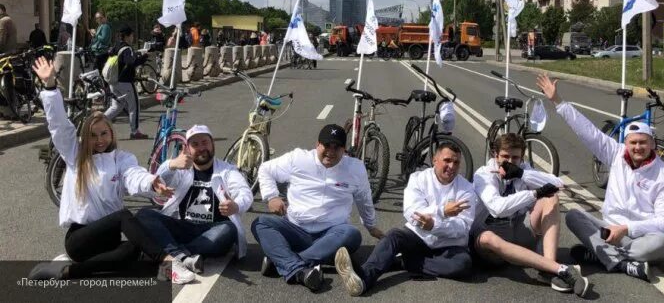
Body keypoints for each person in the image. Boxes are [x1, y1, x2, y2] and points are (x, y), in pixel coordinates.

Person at [26, 57, 190, 283]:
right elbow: (59, 126)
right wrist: (51, 87)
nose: (100, 140)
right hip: (80, 238)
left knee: (134, 249)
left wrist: (151, 182)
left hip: (109, 238)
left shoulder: (122, 159)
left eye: (104, 133)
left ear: (112, 134)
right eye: (93, 135)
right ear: (86, 138)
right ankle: (168, 263)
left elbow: (134, 175)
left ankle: (68, 271)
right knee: (125, 216)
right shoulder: (76, 156)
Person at [537, 74, 664, 282]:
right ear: (626, 144)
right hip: (607, 230)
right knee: (573, 216)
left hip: (640, 237)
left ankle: (599, 254)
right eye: (633, 143)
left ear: (653, 145)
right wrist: (558, 101)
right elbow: (588, 132)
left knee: (661, 244)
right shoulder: (617, 154)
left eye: (643, 142)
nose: (637, 147)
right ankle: (620, 262)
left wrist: (627, 229)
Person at [251, 124, 383, 292]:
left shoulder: (355, 168)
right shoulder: (298, 159)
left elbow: (364, 199)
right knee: (261, 223)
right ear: (317, 145)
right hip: (295, 228)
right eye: (326, 145)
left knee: (352, 234)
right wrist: (272, 196)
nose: (331, 151)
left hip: (331, 233)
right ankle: (300, 265)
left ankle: (285, 262)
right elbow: (265, 169)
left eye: (337, 147)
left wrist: (371, 226)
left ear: (344, 150)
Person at [334, 142, 476, 296]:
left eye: (456, 162)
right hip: (419, 236)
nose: (452, 166)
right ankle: (363, 278)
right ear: (435, 159)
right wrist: (442, 211)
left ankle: (404, 261)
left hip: (448, 244)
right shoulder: (419, 178)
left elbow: (463, 226)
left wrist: (434, 225)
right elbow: (412, 213)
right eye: (447, 160)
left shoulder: (466, 189)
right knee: (394, 235)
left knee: (463, 264)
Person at [471, 133, 589, 297]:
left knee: (551, 198)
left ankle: (549, 269)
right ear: (495, 155)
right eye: (505, 156)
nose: (510, 162)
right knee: (487, 238)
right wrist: (534, 194)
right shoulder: (483, 174)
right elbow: (497, 208)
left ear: (522, 157)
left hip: (518, 231)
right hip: (494, 240)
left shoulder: (522, 169)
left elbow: (558, 184)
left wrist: (522, 174)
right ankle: (557, 269)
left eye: (515, 157)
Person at [136, 125, 253, 275]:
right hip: (184, 226)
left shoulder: (227, 170)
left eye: (205, 142)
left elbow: (244, 192)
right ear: (188, 149)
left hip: (213, 229)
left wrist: (236, 206)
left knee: (228, 230)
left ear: (213, 145)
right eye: (195, 144)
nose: (201, 148)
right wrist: (171, 165)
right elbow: (157, 186)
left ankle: (174, 252)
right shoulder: (181, 169)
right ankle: (182, 256)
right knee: (145, 214)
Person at [104, 25, 149, 139]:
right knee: (134, 106)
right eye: (132, 35)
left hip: (113, 81)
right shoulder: (127, 49)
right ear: (128, 36)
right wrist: (143, 58)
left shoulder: (117, 45)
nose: (133, 37)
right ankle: (135, 132)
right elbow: (130, 62)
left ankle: (97, 122)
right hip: (125, 82)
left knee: (116, 106)